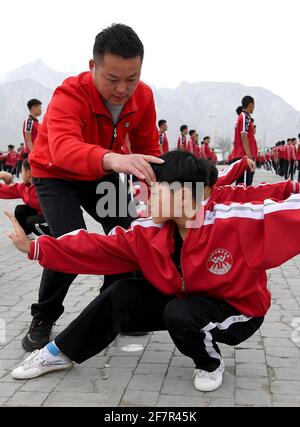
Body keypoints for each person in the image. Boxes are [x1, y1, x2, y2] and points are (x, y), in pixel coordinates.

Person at [7, 150, 300, 393]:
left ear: (183, 195)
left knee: (179, 314)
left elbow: (287, 214)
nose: (144, 200)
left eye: (152, 190)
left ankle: (210, 363)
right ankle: (60, 353)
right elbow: (98, 247)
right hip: (186, 298)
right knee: (122, 292)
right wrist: (36, 248)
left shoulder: (235, 223)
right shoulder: (149, 232)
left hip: (239, 309)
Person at [22, 23, 162, 352]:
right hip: (56, 174)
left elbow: (150, 152)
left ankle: (107, 312)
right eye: (112, 79)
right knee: (70, 246)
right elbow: (64, 149)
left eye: (132, 78)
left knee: (127, 240)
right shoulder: (69, 94)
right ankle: (44, 315)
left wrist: (168, 199)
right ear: (93, 67)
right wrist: (113, 160)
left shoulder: (144, 97)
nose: (122, 89)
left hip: (103, 175)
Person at [0, 159, 50, 238]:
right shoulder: (25, 187)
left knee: (32, 221)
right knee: (20, 210)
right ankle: (28, 236)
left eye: (22, 171)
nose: (21, 174)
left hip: (56, 218)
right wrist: (3, 176)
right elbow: (5, 190)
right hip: (42, 214)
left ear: (28, 173)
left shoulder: (46, 186)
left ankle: (54, 238)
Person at [231, 96, 258, 186]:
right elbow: (244, 136)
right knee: (245, 184)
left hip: (243, 155)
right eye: (254, 105)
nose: (254, 107)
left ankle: (239, 199)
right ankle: (241, 199)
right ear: (250, 105)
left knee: (242, 184)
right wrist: (249, 157)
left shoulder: (244, 117)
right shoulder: (244, 117)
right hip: (244, 155)